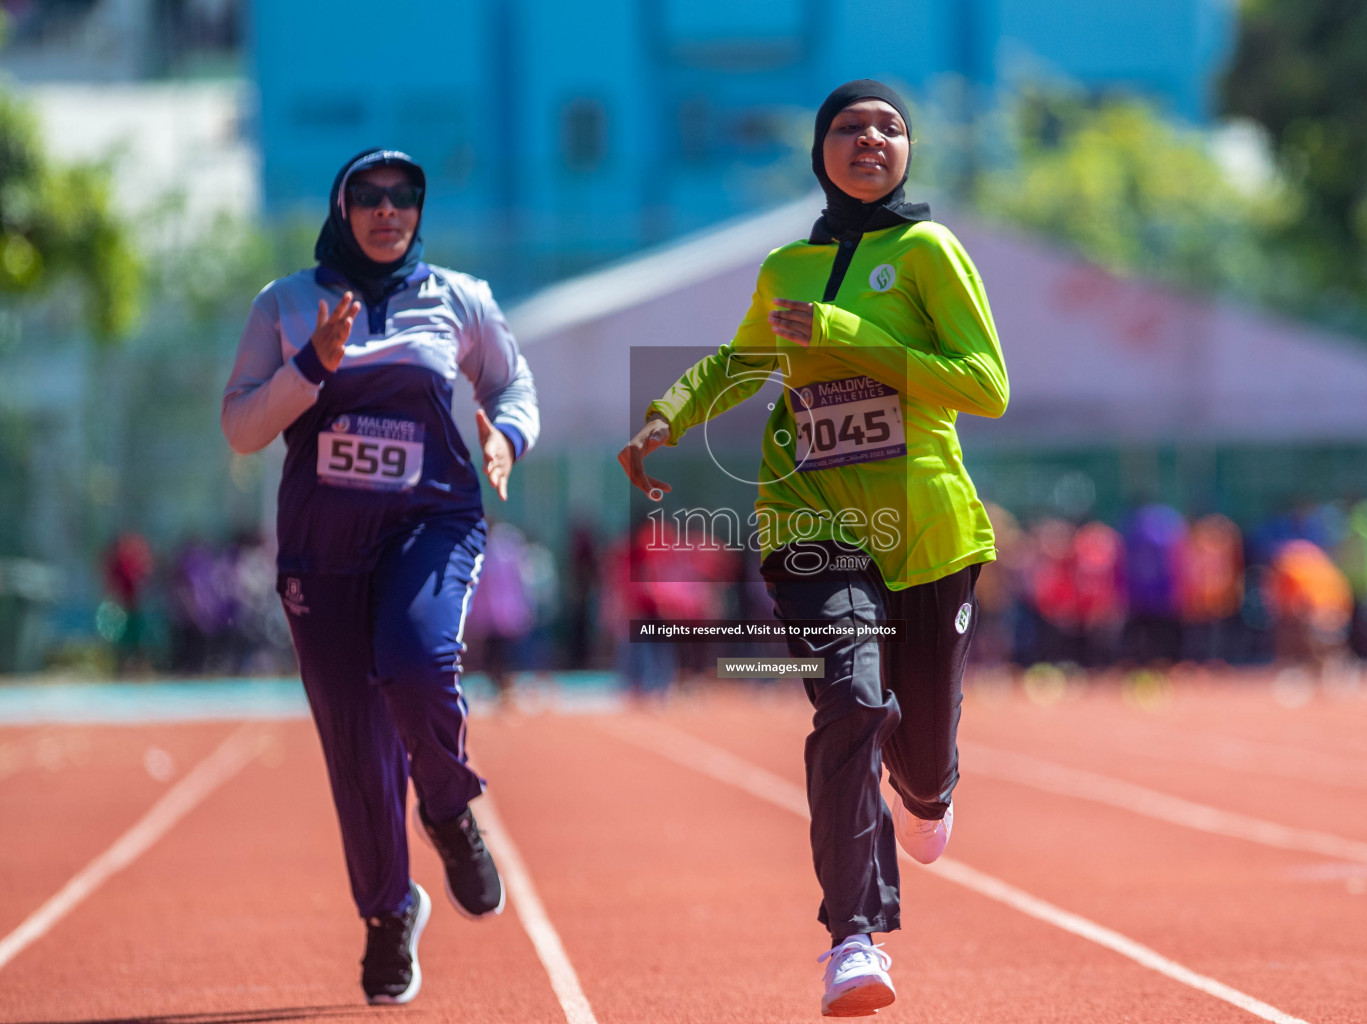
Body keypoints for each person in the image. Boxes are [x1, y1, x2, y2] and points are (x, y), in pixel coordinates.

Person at [618, 80, 1008, 1017]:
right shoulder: (785, 266)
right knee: (849, 703)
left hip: (926, 531)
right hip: (810, 523)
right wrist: (668, 414)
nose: (869, 139)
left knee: (918, 755)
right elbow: (741, 361)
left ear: (908, 151)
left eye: (888, 127)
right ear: (819, 149)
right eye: (848, 127)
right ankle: (855, 940)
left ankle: (929, 788)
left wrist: (848, 334)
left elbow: (984, 384)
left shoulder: (928, 251)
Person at [221, 148, 539, 1005]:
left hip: (429, 525)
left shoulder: (460, 299)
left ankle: (446, 807)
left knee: (418, 661)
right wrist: (312, 364)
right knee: (357, 752)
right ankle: (390, 913)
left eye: (405, 197)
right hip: (321, 550)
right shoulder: (286, 304)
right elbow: (243, 427)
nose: (387, 209)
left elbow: (514, 388)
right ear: (342, 205)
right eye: (369, 196)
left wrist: (506, 437)